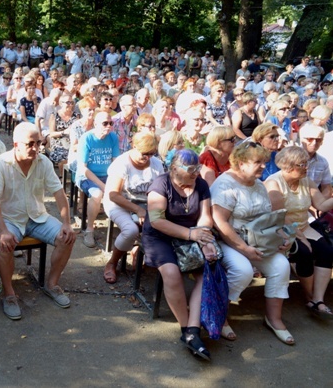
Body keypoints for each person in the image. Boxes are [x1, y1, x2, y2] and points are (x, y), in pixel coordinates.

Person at [0, 123, 76, 320]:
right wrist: (2, 230)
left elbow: (59, 193)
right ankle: (9, 294)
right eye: (30, 144)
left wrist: (67, 223)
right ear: (16, 144)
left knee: (67, 237)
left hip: (37, 217)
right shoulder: (0, 164)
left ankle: (52, 285)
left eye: (38, 143)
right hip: (10, 220)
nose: (36, 148)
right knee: (5, 244)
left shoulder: (43, 162)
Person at [211, 142, 294, 344]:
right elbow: (219, 222)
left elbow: (268, 217)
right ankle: (219, 316)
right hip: (228, 240)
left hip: (257, 240)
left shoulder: (258, 184)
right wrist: (244, 248)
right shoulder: (224, 185)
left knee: (282, 266)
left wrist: (282, 237)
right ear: (241, 163)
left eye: (264, 162)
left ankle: (273, 319)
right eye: (258, 162)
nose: (264, 166)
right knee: (242, 270)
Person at [141, 148, 217, 360]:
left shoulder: (200, 184)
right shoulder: (160, 185)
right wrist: (191, 234)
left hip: (191, 234)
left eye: (197, 168)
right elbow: (157, 221)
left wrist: (205, 237)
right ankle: (186, 328)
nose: (195, 173)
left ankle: (193, 329)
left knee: (209, 268)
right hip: (159, 236)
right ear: (174, 168)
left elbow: (205, 217)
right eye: (190, 169)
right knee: (172, 273)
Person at [264, 147, 333, 318]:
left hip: (303, 226)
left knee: (326, 250)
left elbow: (322, 206)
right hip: (282, 230)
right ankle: (310, 296)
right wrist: (301, 238)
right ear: (288, 166)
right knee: (304, 252)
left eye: (306, 163)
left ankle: (318, 299)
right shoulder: (273, 183)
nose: (306, 168)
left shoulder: (306, 180)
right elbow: (280, 217)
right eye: (302, 164)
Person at [102, 133, 163, 284]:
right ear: (134, 147)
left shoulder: (156, 164)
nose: (147, 158)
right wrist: (137, 209)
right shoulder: (122, 164)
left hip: (146, 204)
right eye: (144, 153)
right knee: (131, 230)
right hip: (120, 204)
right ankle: (112, 262)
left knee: (162, 226)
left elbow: (161, 191)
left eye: (151, 154)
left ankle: (138, 250)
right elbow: (114, 195)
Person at [76, 111, 120, 248]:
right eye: (105, 123)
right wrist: (103, 185)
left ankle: (123, 227)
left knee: (123, 191)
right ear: (95, 124)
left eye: (111, 123)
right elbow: (83, 168)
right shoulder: (86, 138)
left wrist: (115, 181)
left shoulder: (113, 137)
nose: (108, 126)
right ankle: (89, 229)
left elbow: (115, 162)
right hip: (87, 175)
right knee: (97, 194)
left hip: (107, 174)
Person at [47, 95, 80, 175]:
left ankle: (75, 178)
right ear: (61, 103)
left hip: (72, 141)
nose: (70, 105)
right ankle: (63, 178)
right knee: (63, 156)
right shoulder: (54, 115)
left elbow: (79, 130)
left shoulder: (76, 115)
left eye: (72, 103)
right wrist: (64, 132)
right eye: (67, 102)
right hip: (58, 141)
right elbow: (51, 134)